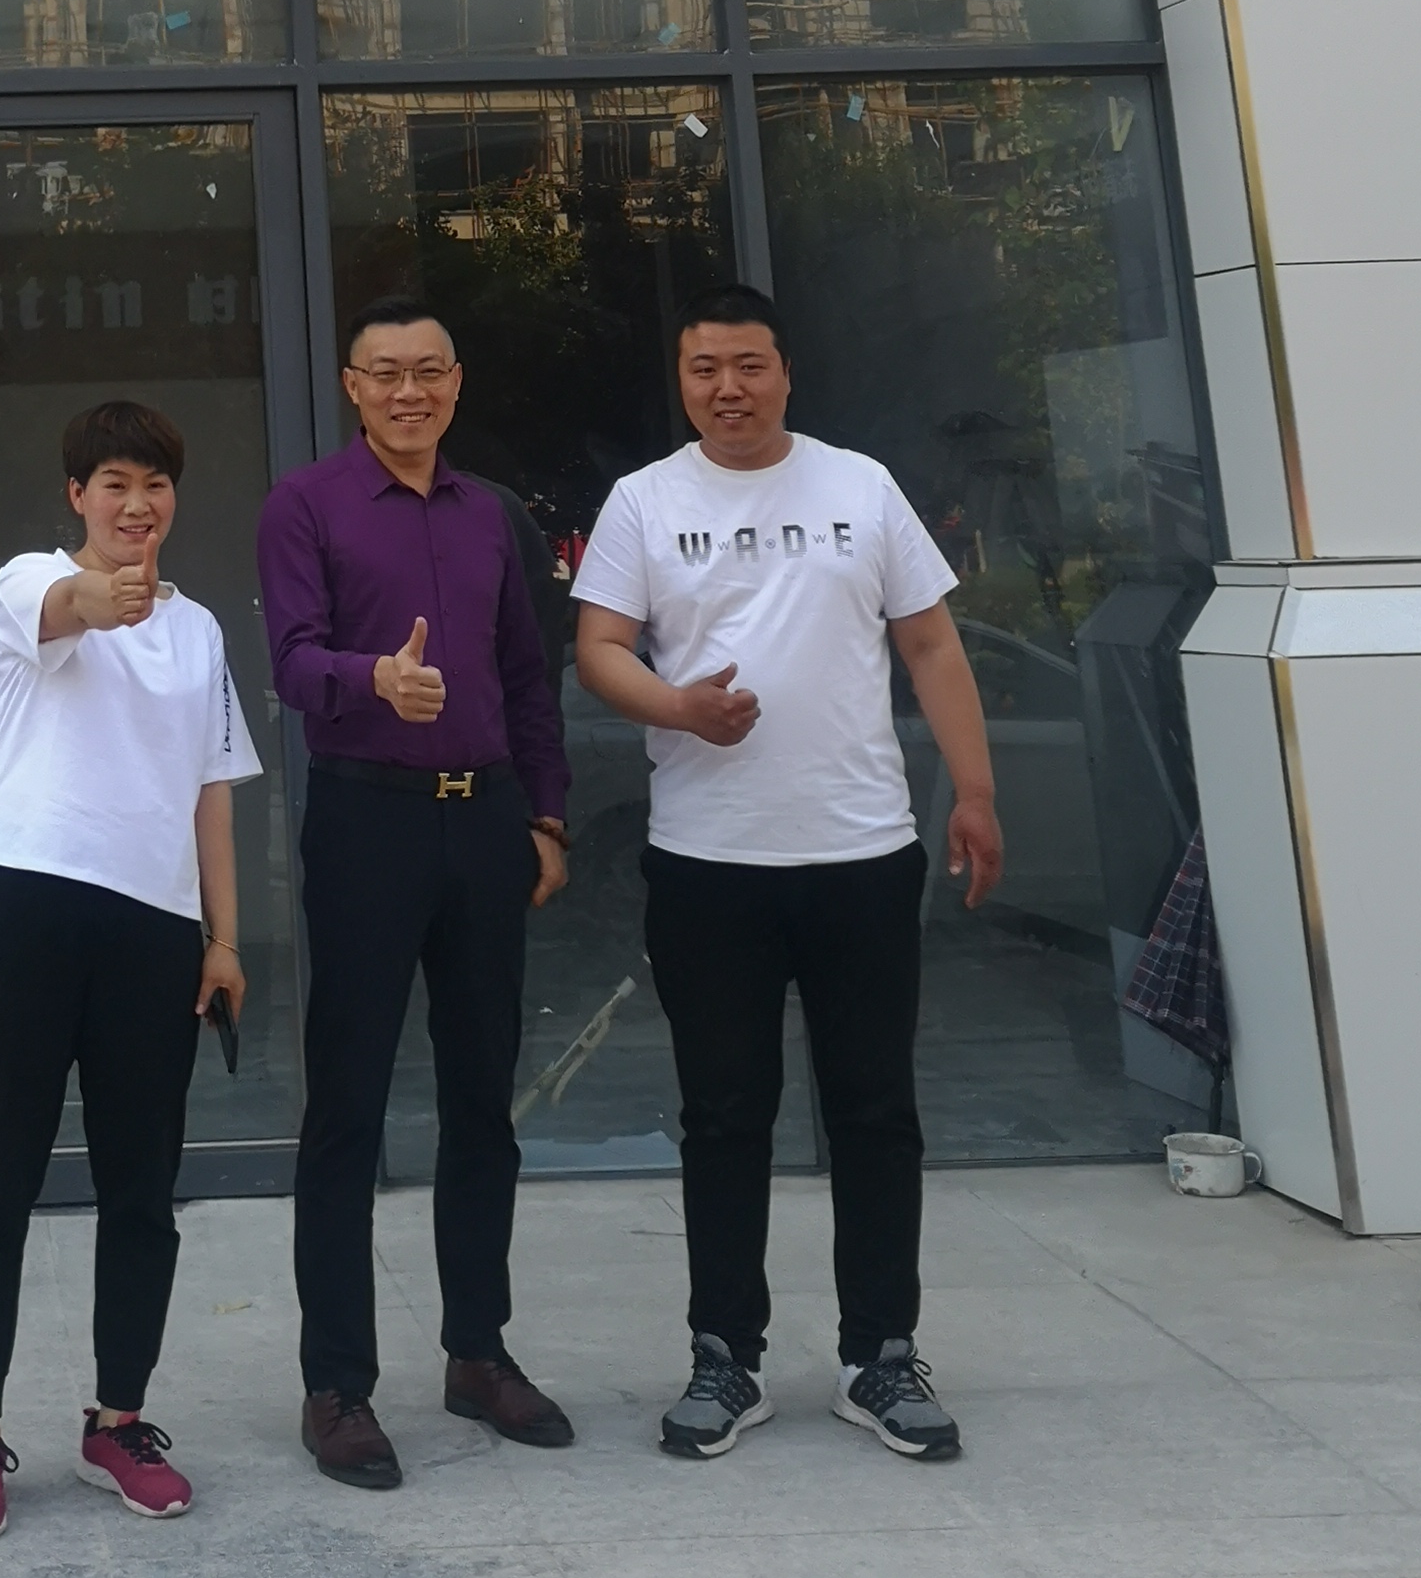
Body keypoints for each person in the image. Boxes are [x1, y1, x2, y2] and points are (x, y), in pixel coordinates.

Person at [571, 282, 1005, 1467]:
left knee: (876, 1110)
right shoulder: (645, 500)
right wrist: (678, 707)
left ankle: (882, 1353)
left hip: (862, 852)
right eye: (705, 367)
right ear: (683, 380)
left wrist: (973, 789)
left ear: (785, 371)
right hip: (709, 863)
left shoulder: (859, 486)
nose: (729, 387)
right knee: (724, 1115)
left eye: (749, 363)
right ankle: (726, 1353)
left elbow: (931, 641)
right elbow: (600, 646)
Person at [256, 295, 573, 1491]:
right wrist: (374, 678)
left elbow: (528, 674)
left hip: (484, 818)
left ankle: (478, 1351)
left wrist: (545, 814)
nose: (408, 390)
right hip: (366, 818)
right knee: (347, 1104)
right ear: (352, 385)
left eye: (428, 369)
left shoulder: (491, 513)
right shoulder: (305, 504)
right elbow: (292, 661)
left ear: (455, 380)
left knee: (483, 1096)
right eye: (385, 371)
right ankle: (337, 1383)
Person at [0, 397, 259, 1541]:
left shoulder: (200, 630)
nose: (137, 502)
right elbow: (68, 608)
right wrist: (103, 593)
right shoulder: (31, 580)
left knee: (141, 1189)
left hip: (154, 927)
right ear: (78, 494)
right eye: (114, 482)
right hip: (22, 901)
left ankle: (118, 1419)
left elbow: (212, 791)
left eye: (155, 483)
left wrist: (224, 937)